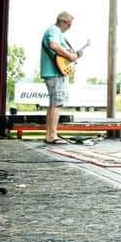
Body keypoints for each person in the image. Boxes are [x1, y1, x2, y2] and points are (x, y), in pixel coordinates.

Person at [40, 11, 81, 145]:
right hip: (54, 73)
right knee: (57, 104)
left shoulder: (55, 32)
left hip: (53, 72)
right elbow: (53, 45)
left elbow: (58, 51)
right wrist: (70, 56)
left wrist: (73, 56)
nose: (70, 27)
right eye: (69, 24)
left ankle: (50, 134)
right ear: (62, 21)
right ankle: (52, 136)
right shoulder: (54, 30)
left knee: (54, 104)